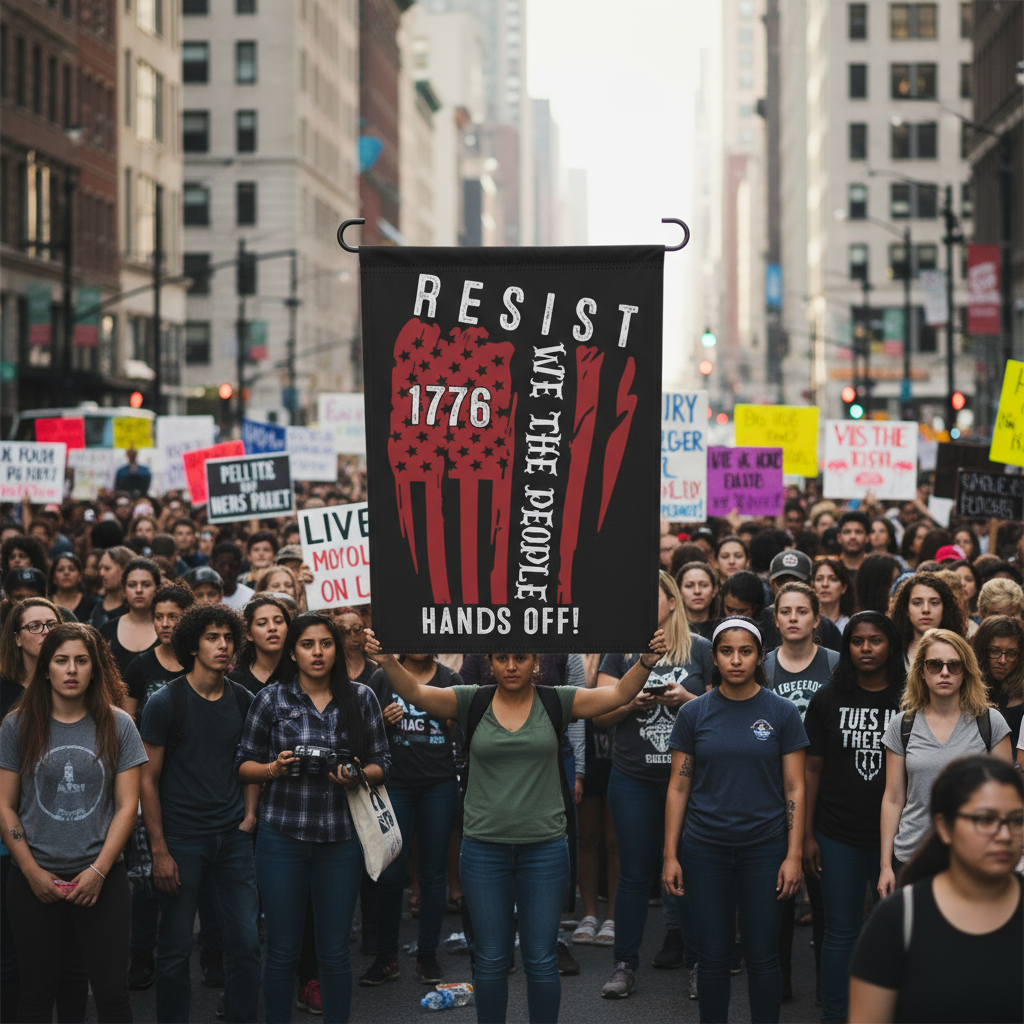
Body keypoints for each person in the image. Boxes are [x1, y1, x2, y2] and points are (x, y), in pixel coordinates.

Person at [364, 627, 668, 1024]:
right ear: (489, 663)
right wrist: (387, 661)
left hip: (545, 850)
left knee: (541, 959)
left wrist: (645, 662)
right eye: (502, 658)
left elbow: (618, 695)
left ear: (536, 663)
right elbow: (417, 694)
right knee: (491, 959)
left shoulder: (557, 700)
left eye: (521, 658)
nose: (511, 666)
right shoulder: (470, 699)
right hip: (483, 850)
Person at [237, 612, 391, 1024]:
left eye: (326, 643)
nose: (317, 652)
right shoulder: (271, 699)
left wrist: (356, 774)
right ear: (293, 652)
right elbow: (243, 765)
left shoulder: (361, 697)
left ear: (337, 650)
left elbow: (382, 763)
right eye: (307, 645)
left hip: (341, 840)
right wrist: (273, 769)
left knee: (335, 951)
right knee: (282, 950)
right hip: (281, 837)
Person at [663, 617, 808, 1024]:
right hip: (704, 849)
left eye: (746, 651)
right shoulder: (693, 713)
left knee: (763, 955)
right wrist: (670, 855)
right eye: (726, 651)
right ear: (714, 657)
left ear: (760, 657)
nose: (736, 660)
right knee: (712, 957)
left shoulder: (782, 712)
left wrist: (793, 855)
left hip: (766, 849)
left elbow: (795, 788)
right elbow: (678, 787)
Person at [0, 623, 146, 1023]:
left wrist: (98, 872)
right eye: (61, 660)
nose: (71, 669)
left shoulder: (119, 724)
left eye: (81, 661)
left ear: (94, 669)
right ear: (45, 668)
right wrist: (32, 873)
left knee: (112, 995)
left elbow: (127, 807)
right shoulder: (16, 725)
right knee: (35, 994)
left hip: (102, 877)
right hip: (33, 878)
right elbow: (5, 807)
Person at [139, 603, 261, 1024]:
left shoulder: (243, 699)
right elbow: (147, 780)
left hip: (233, 837)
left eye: (228, 638)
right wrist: (159, 851)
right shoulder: (165, 702)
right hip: (181, 840)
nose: (223, 645)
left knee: (246, 943)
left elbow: (248, 764)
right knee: (174, 949)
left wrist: (249, 816)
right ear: (192, 645)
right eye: (212, 637)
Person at [594, 573, 713, 998]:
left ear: (672, 602)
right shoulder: (619, 650)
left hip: (688, 781)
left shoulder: (700, 649)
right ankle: (624, 965)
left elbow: (723, 711)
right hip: (633, 779)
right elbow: (598, 716)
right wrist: (630, 701)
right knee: (634, 874)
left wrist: (687, 700)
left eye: (653, 598)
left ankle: (698, 964)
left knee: (688, 872)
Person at [849, 757, 1023, 1024]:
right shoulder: (898, 919)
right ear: (944, 827)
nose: (1005, 835)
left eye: (1017, 820)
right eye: (985, 819)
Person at [802, 611, 905, 1023]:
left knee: (893, 933)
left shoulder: (908, 699)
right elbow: (811, 770)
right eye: (857, 641)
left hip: (895, 838)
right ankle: (835, 1014)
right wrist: (806, 834)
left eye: (875, 640)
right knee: (840, 931)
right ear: (846, 648)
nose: (866, 648)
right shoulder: (827, 698)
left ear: (891, 646)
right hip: (836, 833)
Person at [878, 629, 1013, 897]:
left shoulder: (989, 722)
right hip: (913, 855)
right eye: (935, 664)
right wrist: (885, 865)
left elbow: (1007, 798)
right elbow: (893, 798)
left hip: (975, 855)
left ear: (966, 671)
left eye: (954, 665)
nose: (944, 672)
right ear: (921, 671)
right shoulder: (902, 725)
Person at [362, 652, 461, 987]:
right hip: (395, 784)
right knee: (391, 873)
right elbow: (362, 731)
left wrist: (452, 721)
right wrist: (383, 721)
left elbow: (464, 730)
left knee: (434, 874)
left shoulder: (450, 679)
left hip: (439, 784)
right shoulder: (382, 677)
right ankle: (386, 957)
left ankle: (427, 956)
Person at [120, 584, 197, 992]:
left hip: (192, 783)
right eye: (160, 616)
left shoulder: (201, 662)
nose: (166, 623)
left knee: (196, 874)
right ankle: (141, 954)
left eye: (174, 616)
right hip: (149, 779)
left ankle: (211, 951)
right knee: (148, 874)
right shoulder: (140, 667)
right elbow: (127, 726)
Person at [100, 558, 161, 677]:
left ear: (157, 589)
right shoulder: (107, 631)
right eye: (132, 585)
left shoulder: (166, 629)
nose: (139, 590)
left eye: (146, 585)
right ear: (124, 590)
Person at [890, 573, 965, 666]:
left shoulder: (962, 653)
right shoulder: (890, 653)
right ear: (906, 610)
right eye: (917, 603)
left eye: (934, 603)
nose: (926, 609)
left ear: (945, 609)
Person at [972, 615, 1024, 749]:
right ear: (982, 651)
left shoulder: (1020, 693)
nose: (1002, 660)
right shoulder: (965, 688)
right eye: (995, 651)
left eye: (1011, 654)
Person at [229, 594, 293, 695]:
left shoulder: (303, 674)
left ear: (288, 629)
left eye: (278, 621)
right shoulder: (234, 683)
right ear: (249, 634)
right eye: (262, 623)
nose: (272, 627)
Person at [89, 545, 134, 630]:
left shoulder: (134, 607)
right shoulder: (94, 603)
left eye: (107, 568)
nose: (101, 573)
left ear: (124, 572)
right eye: (100, 568)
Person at [49, 554, 99, 623]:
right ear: (53, 577)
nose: (66, 573)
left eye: (71, 569)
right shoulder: (46, 604)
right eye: (61, 570)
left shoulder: (93, 604)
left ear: (80, 576)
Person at [810, 557, 855, 633]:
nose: (825, 584)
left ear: (843, 587)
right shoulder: (804, 623)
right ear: (812, 586)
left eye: (833, 579)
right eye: (819, 579)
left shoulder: (852, 626)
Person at [677, 561, 718, 640]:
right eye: (689, 586)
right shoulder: (670, 630)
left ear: (714, 590)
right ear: (679, 591)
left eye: (703, 585)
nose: (697, 591)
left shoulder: (723, 630)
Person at [209, 543, 254, 611]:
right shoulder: (205, 597)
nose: (227, 570)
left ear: (239, 567)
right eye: (222, 566)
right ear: (212, 565)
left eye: (232, 566)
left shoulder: (249, 596)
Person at [836, 511, 870, 578]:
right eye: (847, 532)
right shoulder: (831, 568)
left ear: (867, 538)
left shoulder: (875, 567)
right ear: (839, 538)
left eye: (858, 532)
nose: (852, 537)